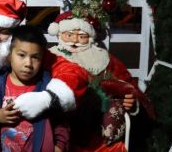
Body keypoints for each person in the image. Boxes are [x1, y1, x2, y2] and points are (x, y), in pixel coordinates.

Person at [15, 11, 155, 151]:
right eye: (69, 35)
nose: (75, 40)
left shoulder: (104, 59)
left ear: (90, 37)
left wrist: (131, 102)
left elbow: (129, 85)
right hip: (56, 123)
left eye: (82, 36)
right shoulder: (49, 57)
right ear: (59, 34)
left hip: (95, 123)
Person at [0, 25, 69, 152]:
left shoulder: (47, 88)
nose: (28, 64)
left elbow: (61, 122)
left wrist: (59, 146)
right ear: (9, 55)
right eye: (21, 55)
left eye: (35, 57)